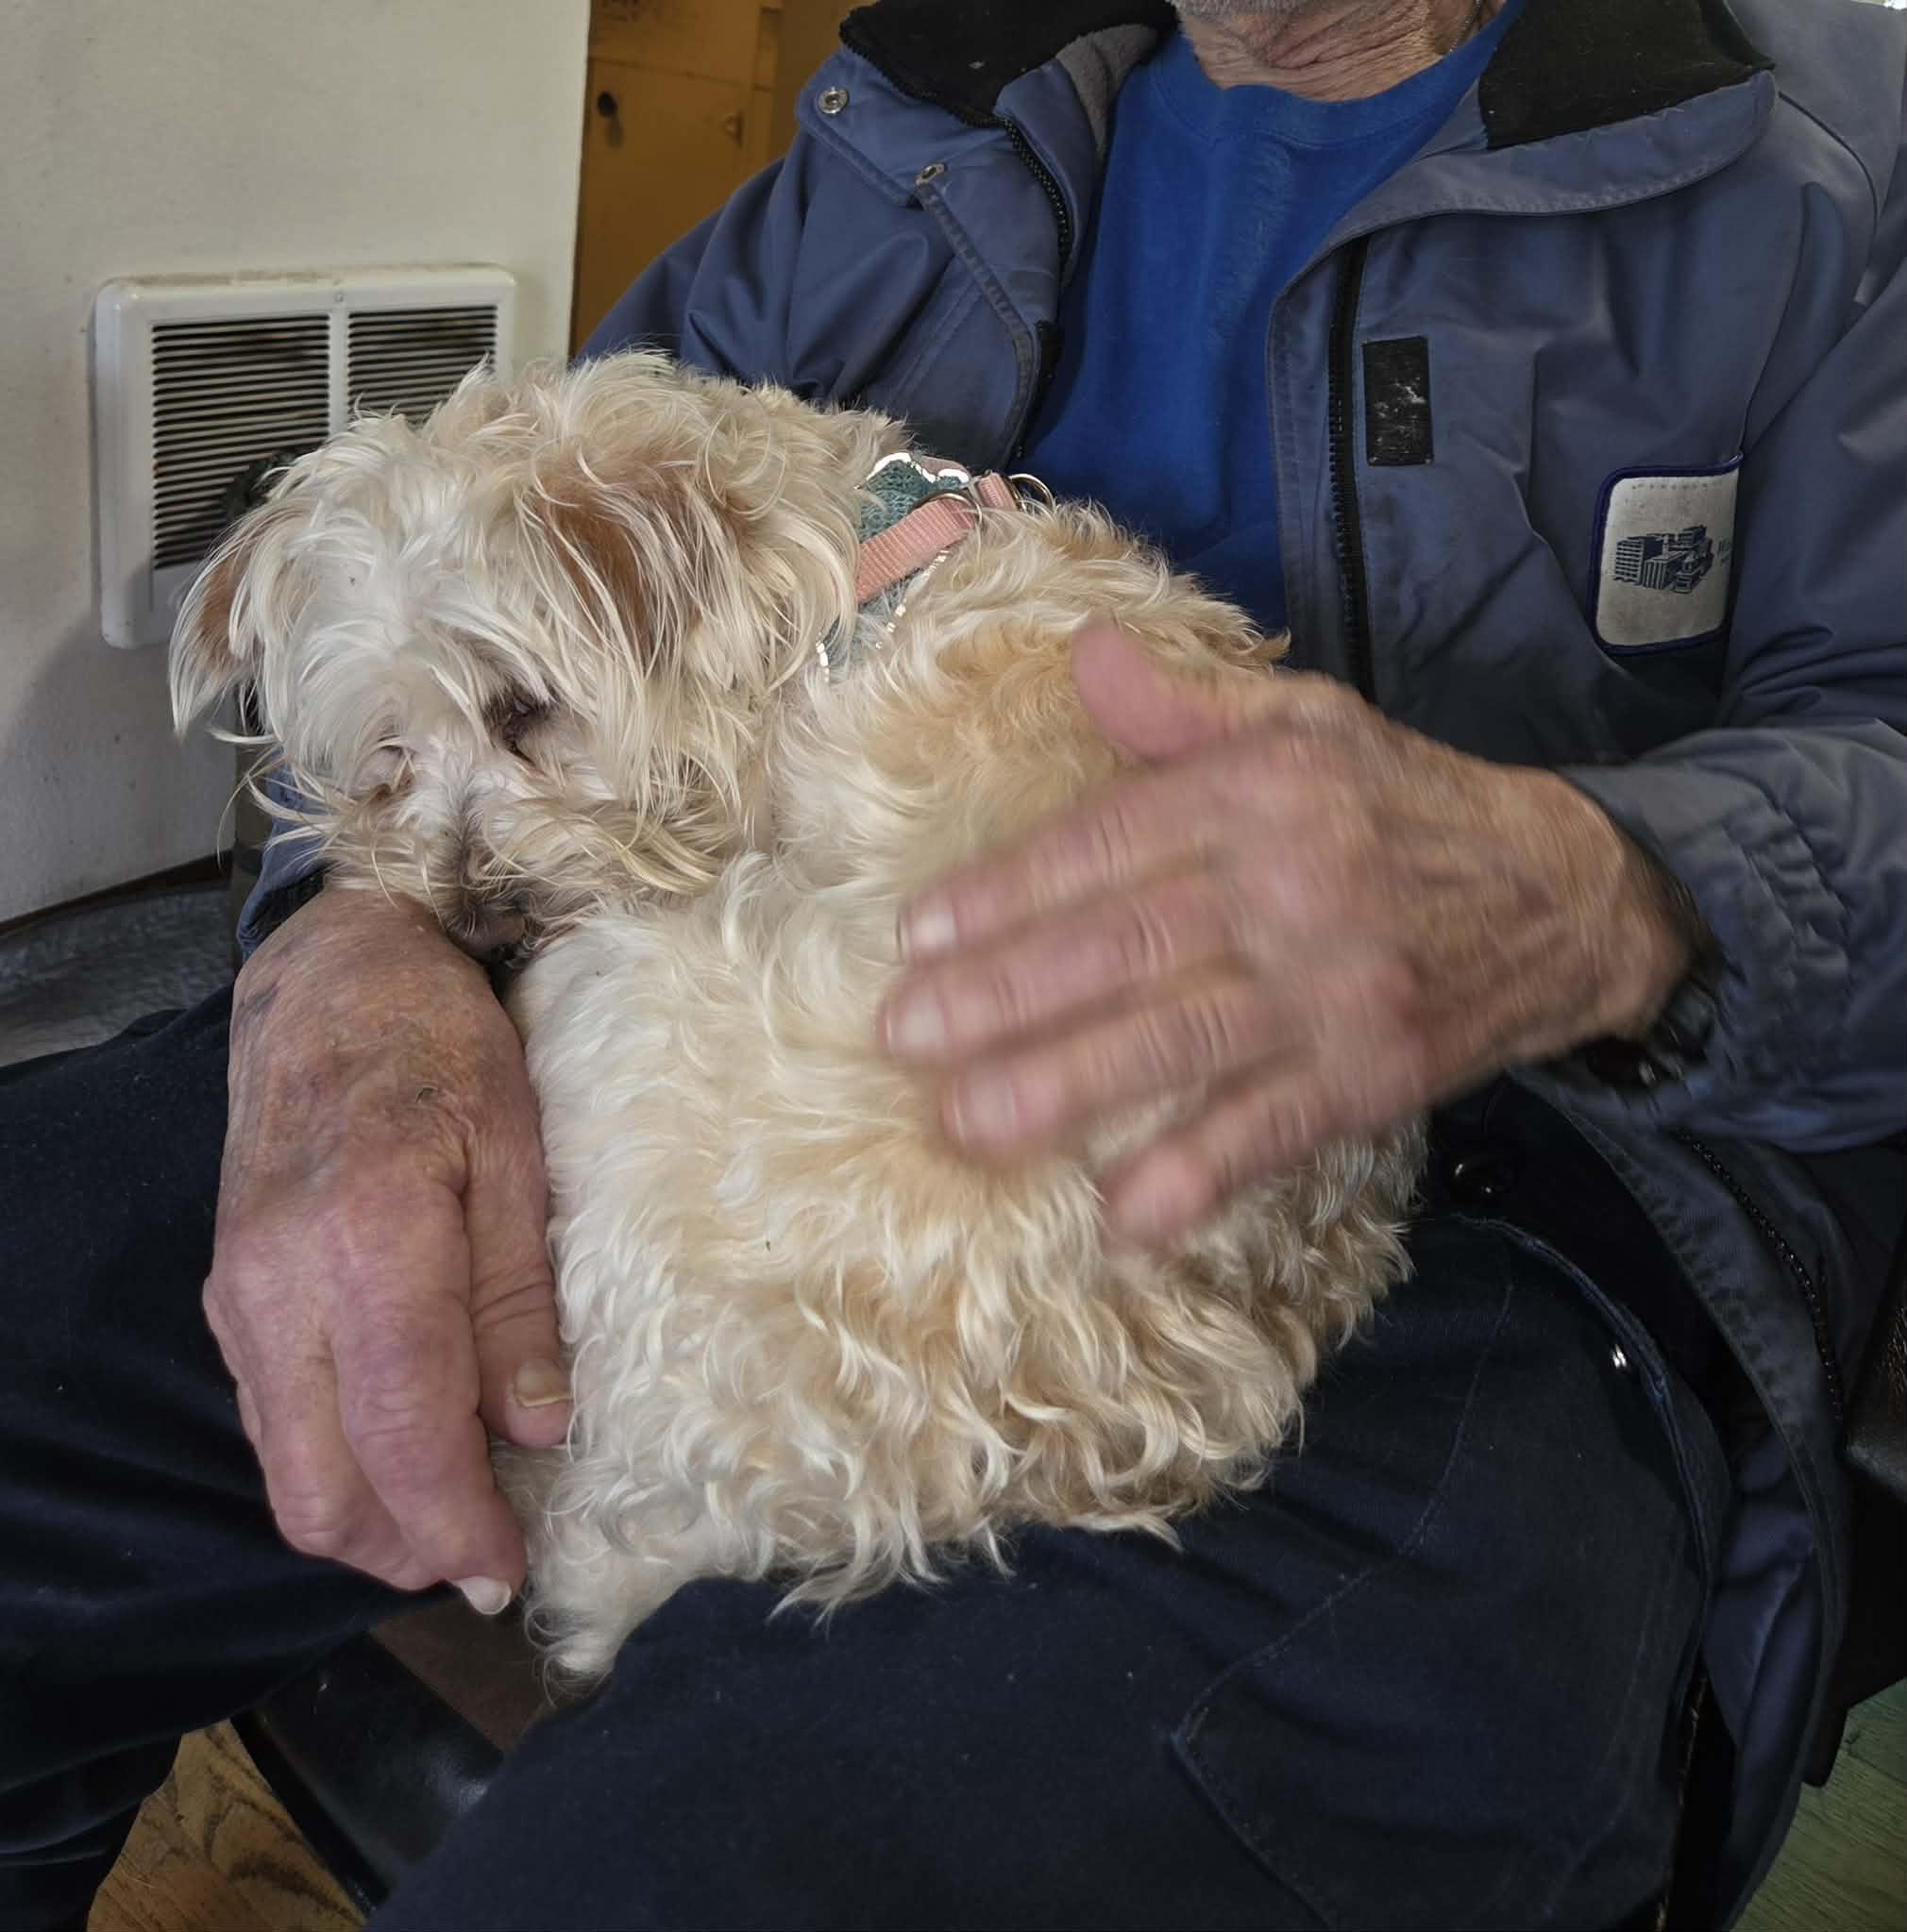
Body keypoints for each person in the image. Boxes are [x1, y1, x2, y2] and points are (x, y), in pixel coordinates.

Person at [3, 0, 1902, 1924]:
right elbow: (467, 589)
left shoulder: (1823, 152)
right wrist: (339, 931)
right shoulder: (938, 91)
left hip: (1514, 1174)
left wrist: (1601, 883)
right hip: (686, 946)